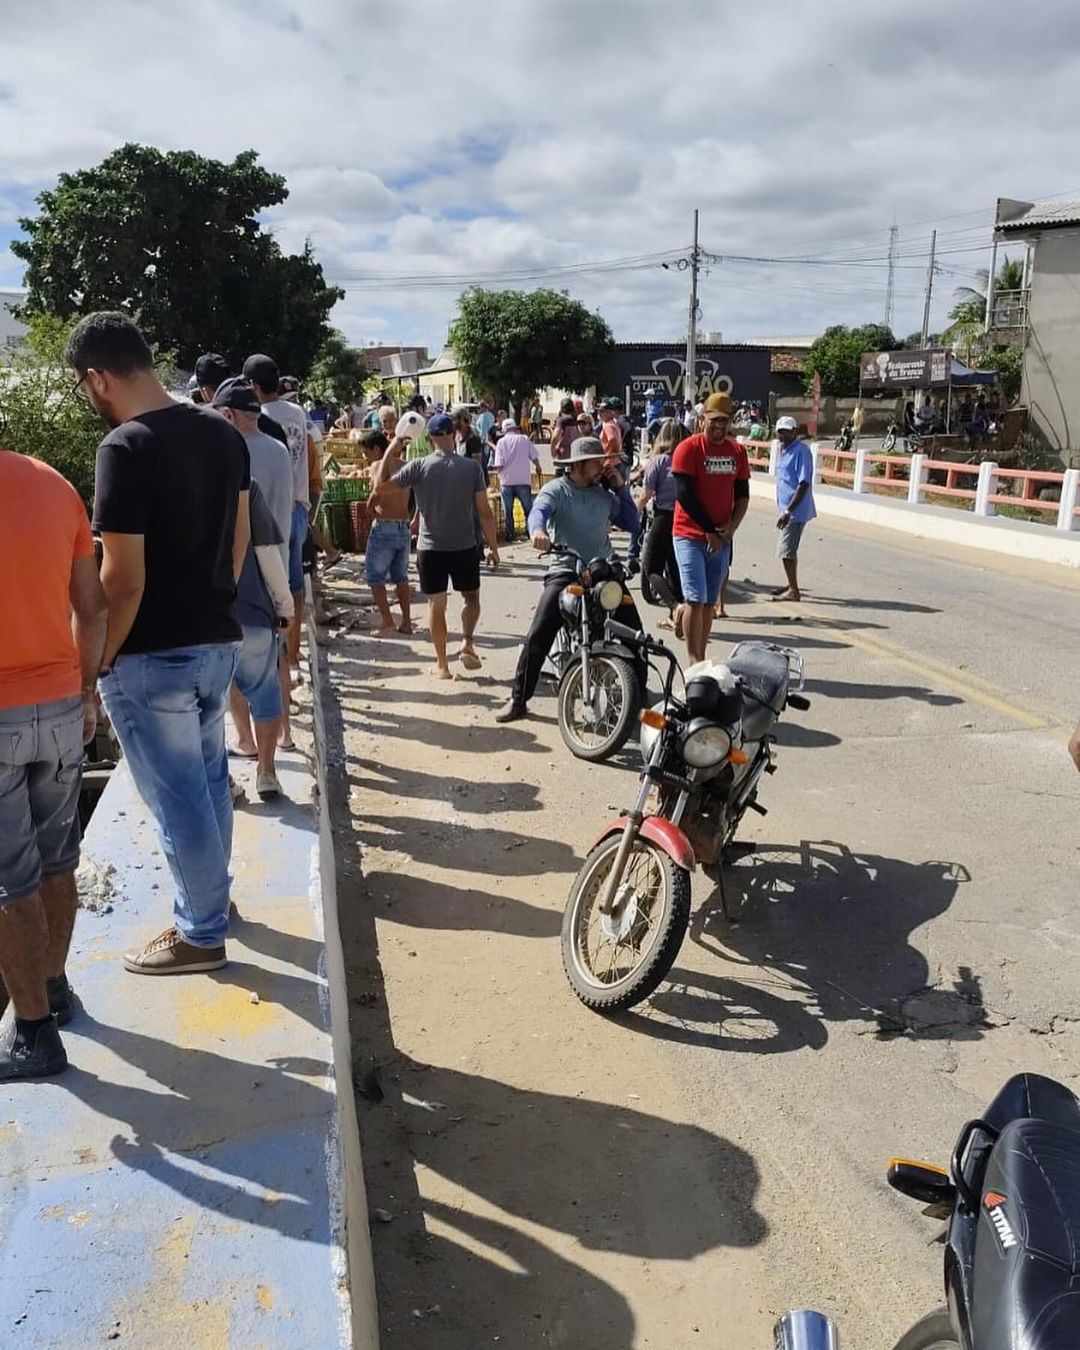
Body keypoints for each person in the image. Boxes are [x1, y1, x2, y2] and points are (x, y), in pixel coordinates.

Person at [70, 311, 250, 975]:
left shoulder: (124, 447)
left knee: (178, 803)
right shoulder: (221, 432)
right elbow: (236, 547)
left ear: (97, 377)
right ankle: (215, 906)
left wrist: (99, 663)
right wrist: (210, 606)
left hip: (151, 657)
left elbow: (123, 581)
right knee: (206, 785)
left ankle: (200, 934)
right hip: (214, 641)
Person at [0, 450, 107, 1079]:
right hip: (62, 705)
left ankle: (34, 1034)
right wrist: (86, 691)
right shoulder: (54, 484)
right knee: (57, 858)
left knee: (9, 880)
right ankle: (55, 989)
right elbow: (91, 607)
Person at [495, 437, 641, 724]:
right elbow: (539, 512)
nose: (603, 466)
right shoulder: (557, 490)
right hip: (567, 568)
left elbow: (633, 523)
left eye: (604, 461)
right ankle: (518, 699)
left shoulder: (604, 495)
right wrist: (537, 532)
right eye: (597, 462)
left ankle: (636, 700)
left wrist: (621, 489)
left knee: (633, 632)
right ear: (579, 465)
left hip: (603, 571)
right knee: (540, 632)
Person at [211, 378, 295, 784]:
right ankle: (267, 771)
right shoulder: (272, 460)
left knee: (213, 698)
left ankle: (228, 768)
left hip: (208, 616)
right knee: (265, 688)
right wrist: (286, 605)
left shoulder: (191, 489)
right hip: (255, 603)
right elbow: (267, 551)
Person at [374, 412, 499, 679]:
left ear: (429, 438)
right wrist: (494, 548)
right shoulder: (472, 468)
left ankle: (442, 665)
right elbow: (485, 512)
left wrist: (390, 451)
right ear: (454, 435)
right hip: (465, 546)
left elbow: (381, 487)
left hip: (430, 549)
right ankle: (467, 640)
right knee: (472, 598)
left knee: (436, 605)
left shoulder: (418, 467)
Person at [671, 391, 750, 665]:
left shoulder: (737, 451)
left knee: (708, 604)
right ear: (703, 418)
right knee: (695, 597)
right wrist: (709, 530)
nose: (719, 426)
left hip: (721, 537)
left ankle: (701, 657)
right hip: (690, 534)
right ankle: (694, 661)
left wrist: (731, 527)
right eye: (714, 420)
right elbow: (684, 494)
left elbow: (742, 494)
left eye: (724, 421)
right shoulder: (688, 449)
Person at [244, 354, 310, 675]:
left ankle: (276, 661)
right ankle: (293, 653)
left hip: (267, 513)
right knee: (294, 586)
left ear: (254, 386)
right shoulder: (298, 414)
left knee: (266, 588)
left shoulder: (255, 419)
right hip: (297, 507)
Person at [637, 418, 685, 627]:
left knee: (651, 569)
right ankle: (678, 616)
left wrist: (630, 514)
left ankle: (675, 606)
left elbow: (645, 495)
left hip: (663, 518)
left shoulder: (658, 461)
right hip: (684, 520)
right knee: (675, 567)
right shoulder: (686, 460)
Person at [366, 431, 414, 637]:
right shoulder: (406, 466)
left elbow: (377, 490)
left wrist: (369, 508)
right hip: (403, 526)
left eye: (365, 452)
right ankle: (407, 621)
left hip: (385, 526)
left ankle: (387, 621)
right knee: (401, 577)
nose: (364, 457)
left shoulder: (378, 466)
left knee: (375, 577)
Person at [772, 416, 816, 603]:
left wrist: (788, 512)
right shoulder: (783, 450)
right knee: (790, 549)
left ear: (795, 431)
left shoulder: (801, 451)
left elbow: (803, 483)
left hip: (794, 510)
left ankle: (793, 590)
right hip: (786, 507)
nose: (783, 434)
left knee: (785, 550)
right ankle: (792, 584)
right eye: (780, 431)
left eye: (787, 431)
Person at [493, 416, 539, 543]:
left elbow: (499, 465)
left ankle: (510, 534)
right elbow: (534, 457)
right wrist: (538, 467)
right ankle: (530, 532)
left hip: (506, 481)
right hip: (523, 480)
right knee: (528, 509)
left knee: (508, 511)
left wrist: (499, 477)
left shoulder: (501, 443)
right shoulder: (524, 439)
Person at [454, 406, 488, 483]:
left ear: (463, 419)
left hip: (473, 484)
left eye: (455, 419)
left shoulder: (473, 439)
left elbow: (477, 466)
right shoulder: (457, 436)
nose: (453, 422)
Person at [550, 397, 579, 475]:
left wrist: (552, 448)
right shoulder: (576, 419)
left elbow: (556, 436)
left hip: (564, 457)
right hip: (576, 456)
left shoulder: (562, 420)